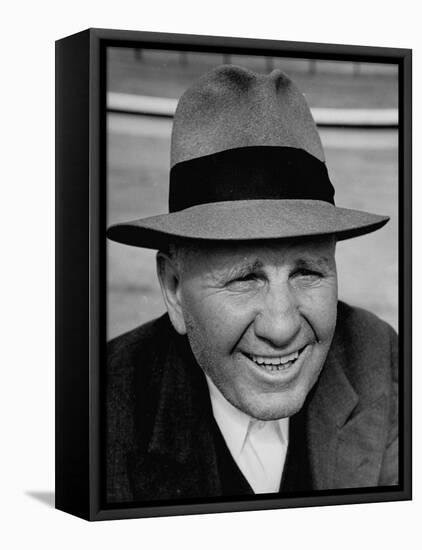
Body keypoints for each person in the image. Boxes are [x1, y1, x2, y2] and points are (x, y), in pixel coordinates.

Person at [106, 65, 398, 503]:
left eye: (308, 272)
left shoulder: (380, 358)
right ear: (173, 288)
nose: (281, 328)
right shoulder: (96, 411)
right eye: (245, 278)